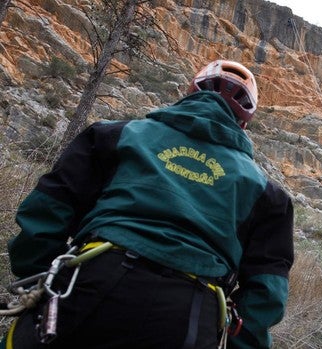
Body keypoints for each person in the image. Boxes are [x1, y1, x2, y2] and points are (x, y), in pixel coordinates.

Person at [2, 60, 294, 349]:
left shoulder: (114, 134)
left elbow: (47, 210)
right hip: (191, 315)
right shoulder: (269, 194)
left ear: (189, 93)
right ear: (243, 123)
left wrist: (40, 278)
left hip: (91, 278)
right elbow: (266, 293)